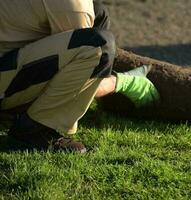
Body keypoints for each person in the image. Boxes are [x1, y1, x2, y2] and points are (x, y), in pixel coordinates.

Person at [0, 0, 159, 153]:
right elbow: (74, 78)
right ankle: (34, 130)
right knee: (96, 45)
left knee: (98, 14)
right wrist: (121, 83)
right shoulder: (73, 6)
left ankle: (20, 110)